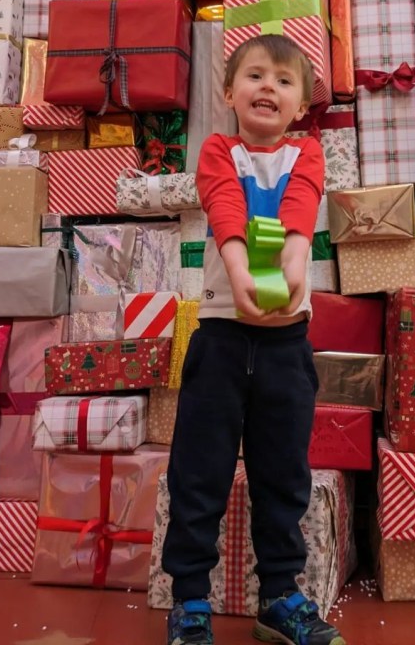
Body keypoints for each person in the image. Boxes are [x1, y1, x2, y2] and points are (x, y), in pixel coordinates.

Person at [163, 35, 345, 645]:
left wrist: (294, 264)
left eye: (284, 81)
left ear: (300, 107)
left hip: (285, 348)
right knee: (199, 472)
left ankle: (280, 595)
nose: (268, 86)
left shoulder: (309, 154)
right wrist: (240, 275)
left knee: (283, 474)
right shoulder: (218, 151)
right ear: (229, 94)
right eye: (255, 76)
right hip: (219, 337)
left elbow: (299, 210)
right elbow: (224, 208)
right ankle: (190, 599)